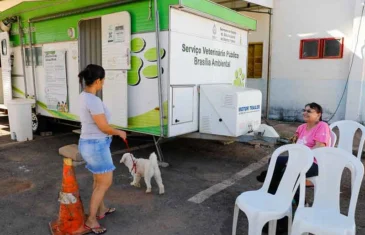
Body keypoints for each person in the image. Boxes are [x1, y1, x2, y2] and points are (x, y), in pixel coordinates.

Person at [257, 102, 331, 233]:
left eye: (310, 111)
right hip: (299, 160)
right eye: (305, 110)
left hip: (314, 163)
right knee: (275, 161)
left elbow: (320, 148)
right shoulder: (302, 127)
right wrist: (294, 158)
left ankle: (282, 221)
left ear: (318, 115)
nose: (305, 113)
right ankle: (274, 197)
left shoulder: (322, 126)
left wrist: (299, 158)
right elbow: (295, 145)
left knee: (286, 174)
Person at [78, 64, 127, 234]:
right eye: (103, 80)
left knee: (98, 181)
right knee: (104, 183)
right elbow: (103, 127)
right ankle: (91, 220)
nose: (103, 84)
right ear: (98, 81)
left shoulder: (84, 96)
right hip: (96, 146)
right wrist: (119, 132)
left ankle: (101, 210)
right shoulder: (93, 100)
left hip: (88, 143)